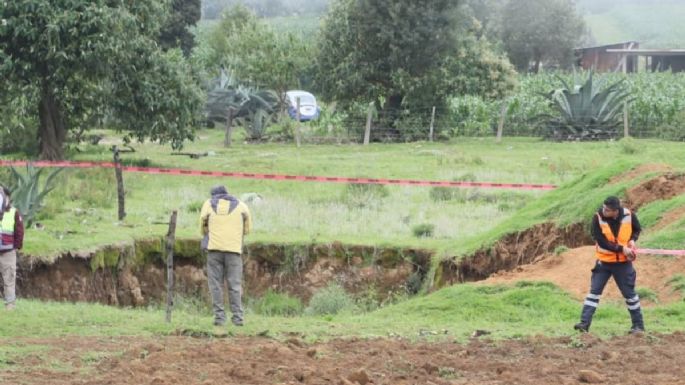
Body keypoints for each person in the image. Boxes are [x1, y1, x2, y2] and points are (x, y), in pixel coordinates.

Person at [574, 196, 644, 334]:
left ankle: (638, 326)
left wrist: (632, 240)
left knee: (630, 295)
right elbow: (601, 241)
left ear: (615, 211)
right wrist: (621, 249)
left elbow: (637, 229)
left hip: (623, 264)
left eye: (607, 209)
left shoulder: (629, 215)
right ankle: (584, 324)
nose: (603, 210)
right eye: (604, 207)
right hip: (603, 263)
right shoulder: (597, 218)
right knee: (594, 293)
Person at [200, 185, 251, 327]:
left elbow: (202, 225)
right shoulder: (241, 205)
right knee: (234, 285)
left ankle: (219, 318)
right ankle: (238, 318)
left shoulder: (208, 204)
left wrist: (209, 234)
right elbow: (247, 229)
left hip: (214, 251)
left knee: (216, 285)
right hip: (234, 251)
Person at [0, 186, 24, 311]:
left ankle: (10, 306)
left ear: (7, 197)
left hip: (8, 251)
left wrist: (16, 246)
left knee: (9, 278)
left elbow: (19, 230)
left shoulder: (14, 212)